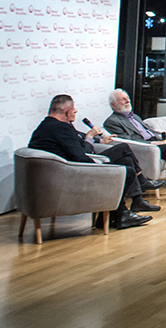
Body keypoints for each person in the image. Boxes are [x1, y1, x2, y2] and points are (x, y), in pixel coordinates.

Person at [28, 94, 154, 229]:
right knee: (127, 171)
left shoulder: (46, 126)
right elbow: (81, 156)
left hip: (62, 173)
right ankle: (122, 211)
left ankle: (119, 214)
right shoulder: (61, 128)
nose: (76, 111)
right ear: (67, 111)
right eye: (73, 109)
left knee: (126, 160)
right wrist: (90, 139)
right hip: (71, 176)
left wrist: (97, 140)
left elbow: (77, 139)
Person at [104, 88, 166, 202]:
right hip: (146, 148)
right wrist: (151, 143)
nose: (127, 101)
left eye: (127, 98)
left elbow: (149, 131)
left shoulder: (135, 117)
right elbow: (126, 140)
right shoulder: (112, 121)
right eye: (123, 99)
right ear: (113, 105)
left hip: (156, 142)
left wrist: (162, 139)